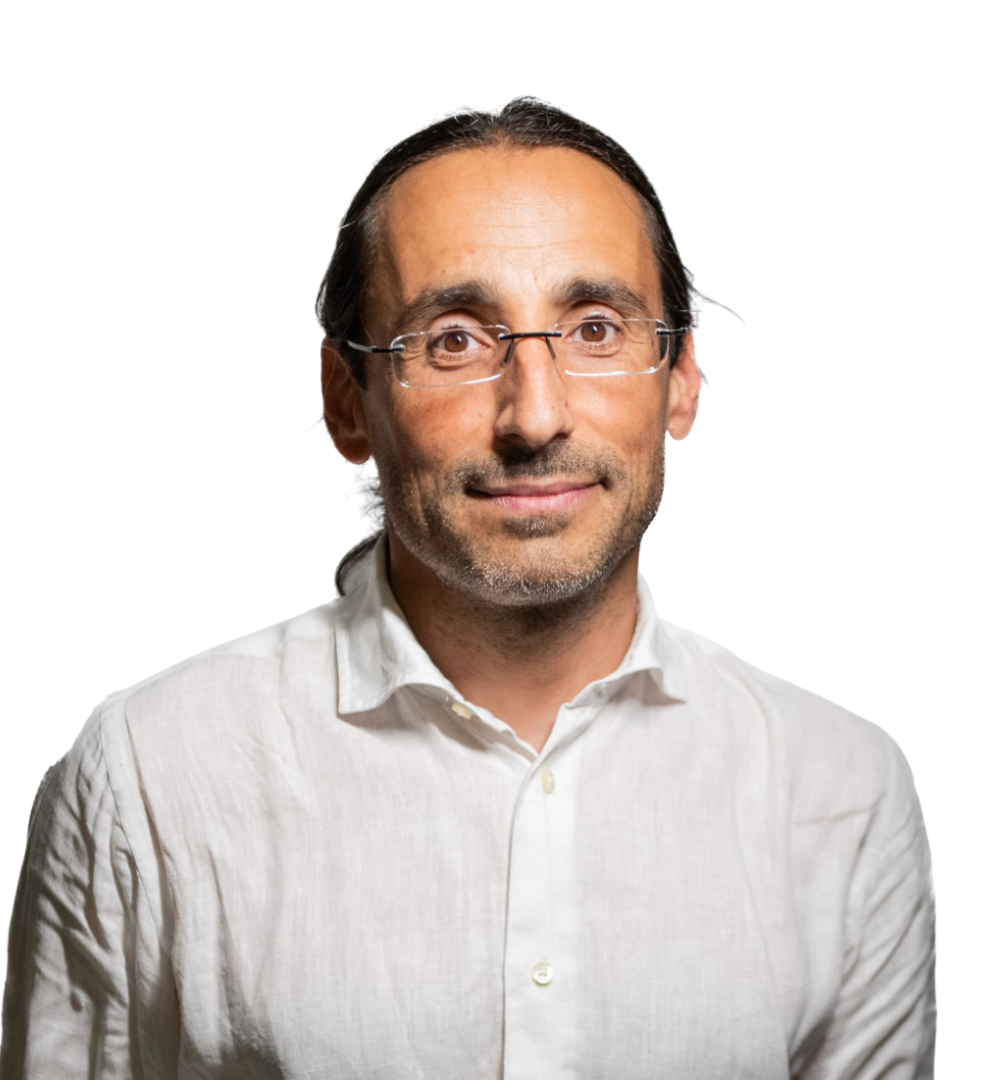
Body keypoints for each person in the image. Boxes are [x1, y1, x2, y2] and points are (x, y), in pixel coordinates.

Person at [1, 98, 934, 1078]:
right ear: (346, 401)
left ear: (680, 376)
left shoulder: (841, 795)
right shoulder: (154, 776)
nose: (534, 416)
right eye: (452, 340)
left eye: (595, 328)